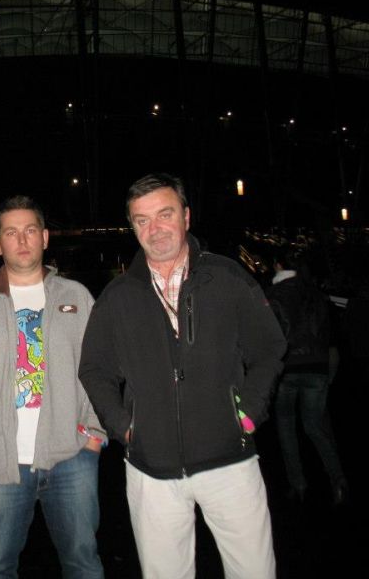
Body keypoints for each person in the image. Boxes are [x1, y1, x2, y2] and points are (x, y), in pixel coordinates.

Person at [78, 173, 286, 579]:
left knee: (254, 571)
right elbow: (95, 368)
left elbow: (268, 348)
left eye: (165, 214)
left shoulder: (226, 277)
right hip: (151, 471)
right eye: (142, 220)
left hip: (230, 463)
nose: (155, 229)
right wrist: (126, 426)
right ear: (133, 227)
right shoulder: (118, 296)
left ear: (186, 217)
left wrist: (247, 414)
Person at [0, 195, 105, 578]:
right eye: (11, 232)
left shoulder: (76, 297)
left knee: (83, 563)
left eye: (30, 230)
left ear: (45, 237)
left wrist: (94, 435)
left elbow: (99, 368)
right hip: (1, 462)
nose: (22, 240)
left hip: (71, 456)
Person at [266, 247, 348, 505]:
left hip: (287, 369)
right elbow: (330, 331)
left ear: (278, 265)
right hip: (317, 367)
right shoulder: (316, 294)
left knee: (286, 427)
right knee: (315, 426)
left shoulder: (272, 295)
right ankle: (338, 480)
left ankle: (298, 484)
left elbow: (269, 336)